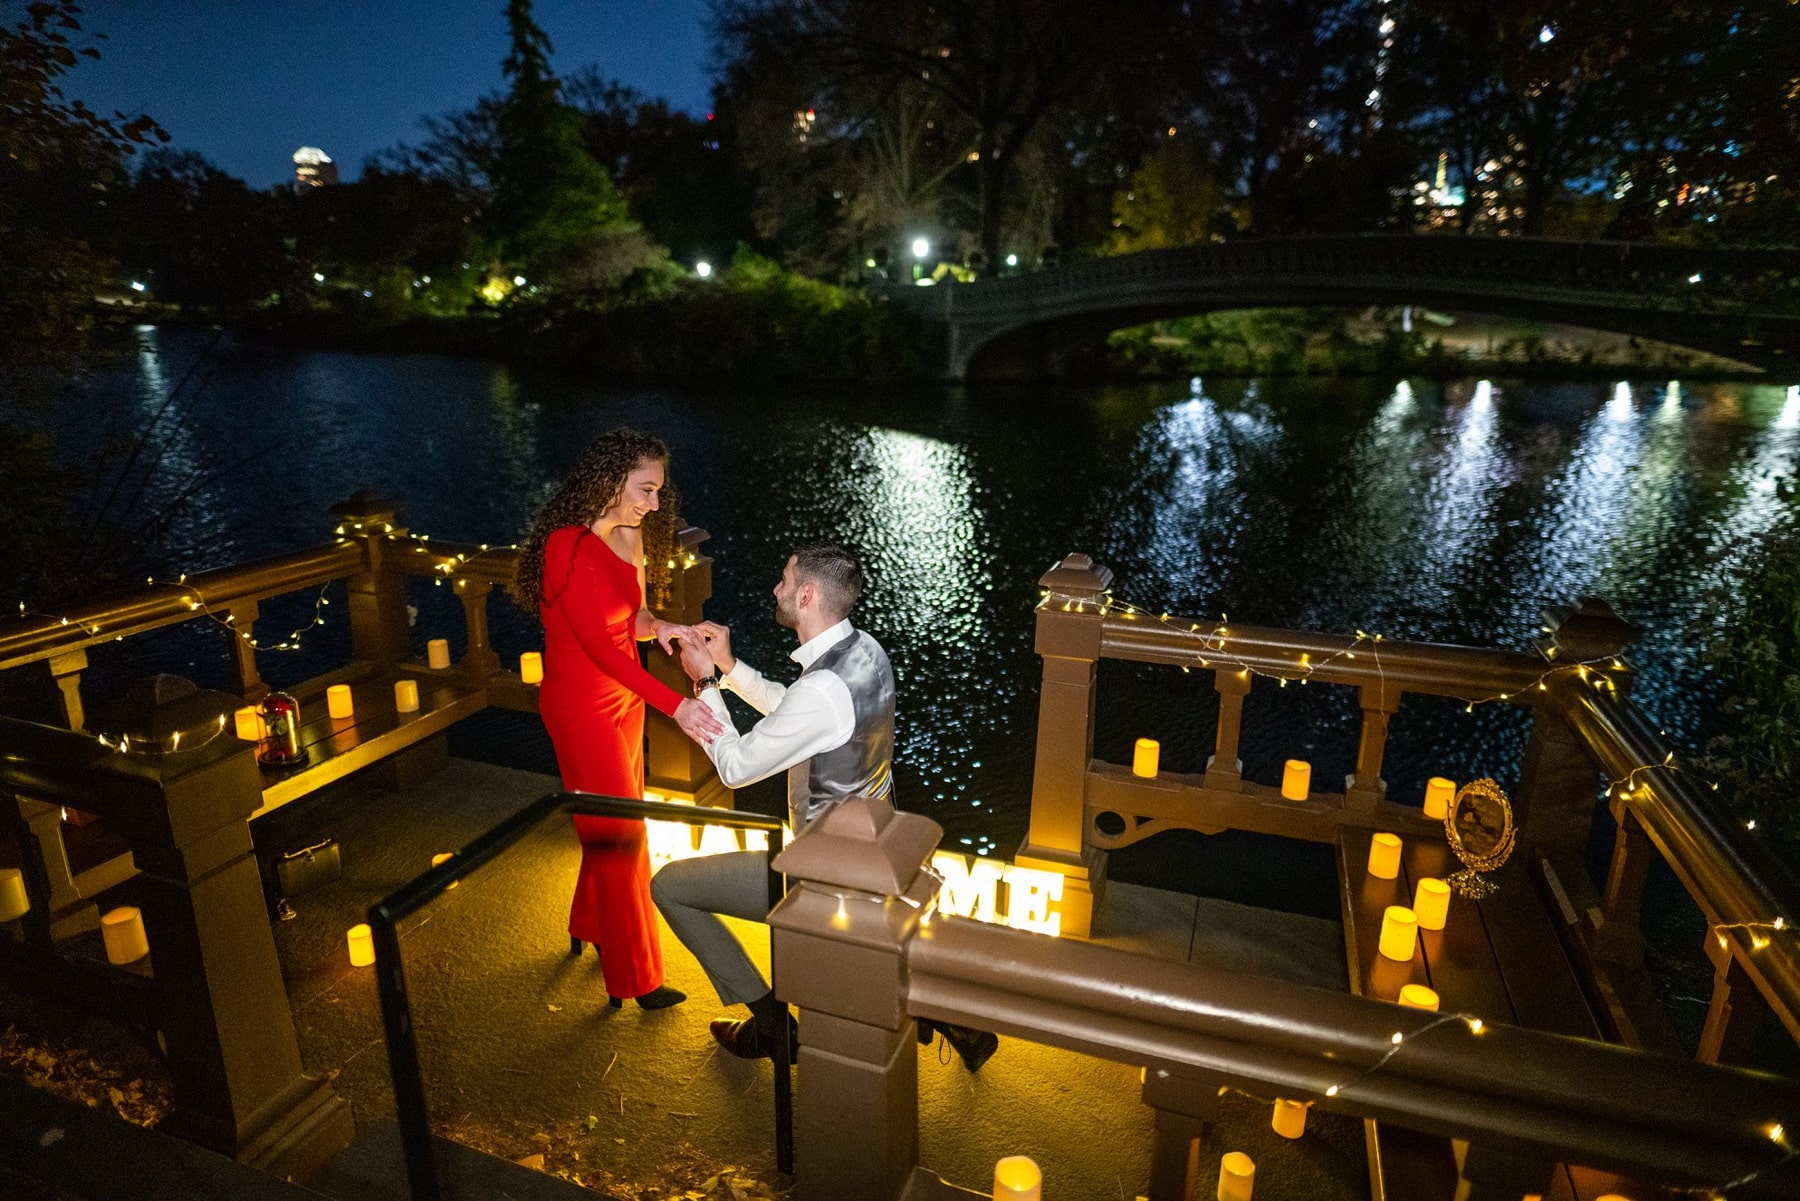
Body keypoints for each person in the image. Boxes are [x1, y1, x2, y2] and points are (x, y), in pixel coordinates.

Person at [651, 544, 997, 1071]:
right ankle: (952, 1018)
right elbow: (801, 712)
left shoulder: (822, 689)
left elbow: (738, 766)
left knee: (670, 887)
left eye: (785, 580)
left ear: (807, 595)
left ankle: (772, 1027)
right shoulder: (865, 651)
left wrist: (702, 682)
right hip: (879, 851)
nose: (776, 589)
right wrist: (728, 667)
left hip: (828, 874)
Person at [513, 428, 723, 1011]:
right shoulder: (566, 546)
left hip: (623, 700)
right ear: (609, 480)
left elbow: (631, 621)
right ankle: (636, 978)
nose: (654, 505)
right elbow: (598, 649)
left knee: (609, 827)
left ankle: (589, 920)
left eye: (659, 491)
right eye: (645, 489)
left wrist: (662, 628)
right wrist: (677, 703)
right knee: (624, 836)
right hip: (581, 705)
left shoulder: (632, 539)